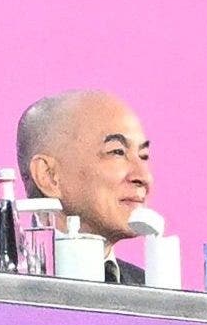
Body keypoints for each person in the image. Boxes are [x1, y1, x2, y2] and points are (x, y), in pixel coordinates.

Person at [16, 90, 154, 284]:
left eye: (144, 156)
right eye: (117, 152)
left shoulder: (153, 290)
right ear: (49, 175)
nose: (144, 177)